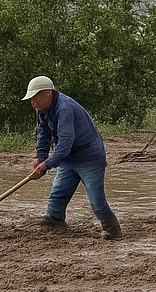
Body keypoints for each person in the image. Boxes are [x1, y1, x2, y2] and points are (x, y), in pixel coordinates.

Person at [22, 76, 122, 240]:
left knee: (96, 200)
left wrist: (46, 165)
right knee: (58, 194)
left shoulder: (65, 108)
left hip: (89, 157)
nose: (33, 103)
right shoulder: (41, 110)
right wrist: (39, 157)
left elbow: (66, 142)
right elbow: (43, 134)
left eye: (34, 98)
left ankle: (112, 229)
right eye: (31, 100)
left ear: (48, 93)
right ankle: (55, 220)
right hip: (68, 158)